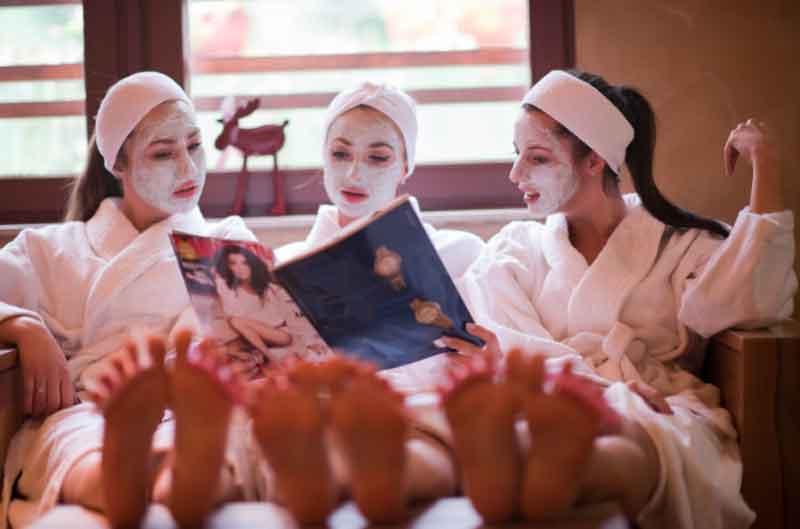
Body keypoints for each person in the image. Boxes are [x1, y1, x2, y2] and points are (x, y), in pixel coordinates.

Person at [440, 69, 796, 528]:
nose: (515, 174)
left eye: (538, 158)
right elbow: (509, 350)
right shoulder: (515, 250)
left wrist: (767, 162)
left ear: (594, 160)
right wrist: (594, 388)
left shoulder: (679, 242)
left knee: (622, 436)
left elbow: (753, 297)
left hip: (661, 411)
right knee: (540, 429)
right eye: (517, 157)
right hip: (547, 404)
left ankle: (531, 476)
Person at [0, 71, 257, 529]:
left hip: (192, 401)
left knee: (219, 436)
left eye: (195, 146)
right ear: (118, 165)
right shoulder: (55, 247)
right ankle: (127, 465)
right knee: (75, 444)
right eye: (163, 153)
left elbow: (260, 330)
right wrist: (21, 325)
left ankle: (170, 473)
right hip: (90, 407)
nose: (188, 168)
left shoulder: (227, 240)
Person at [275, 82, 485, 280]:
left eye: (377, 157)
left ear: (405, 167)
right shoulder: (282, 269)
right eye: (340, 153)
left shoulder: (459, 257)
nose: (353, 175)